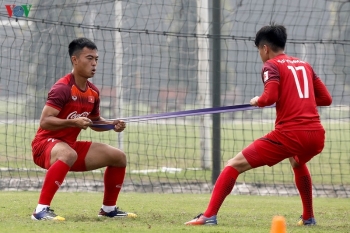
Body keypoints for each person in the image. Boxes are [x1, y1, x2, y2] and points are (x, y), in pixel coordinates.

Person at [185, 23, 332, 226]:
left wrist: (259, 100)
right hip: (316, 136)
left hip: (290, 134)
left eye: (259, 51)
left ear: (265, 48)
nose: (260, 56)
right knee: (297, 162)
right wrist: (297, 99)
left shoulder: (271, 65)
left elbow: (269, 97)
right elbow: (326, 99)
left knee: (233, 165)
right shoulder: (305, 65)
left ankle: (208, 216)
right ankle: (308, 218)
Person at [31, 38, 137, 221]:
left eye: (96, 59)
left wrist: (112, 125)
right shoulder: (62, 88)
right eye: (89, 58)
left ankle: (108, 209)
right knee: (68, 154)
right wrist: (74, 123)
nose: (94, 63)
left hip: (69, 147)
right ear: (75, 60)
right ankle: (41, 211)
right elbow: (45, 121)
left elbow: (95, 122)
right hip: (44, 147)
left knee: (118, 156)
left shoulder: (93, 92)